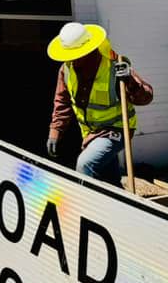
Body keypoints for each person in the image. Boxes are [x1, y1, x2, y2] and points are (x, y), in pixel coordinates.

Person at [46, 21, 153, 186]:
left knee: (86, 164)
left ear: (87, 50)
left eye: (75, 55)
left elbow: (146, 96)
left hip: (117, 129)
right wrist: (55, 131)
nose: (71, 60)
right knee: (109, 181)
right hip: (90, 133)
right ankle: (119, 207)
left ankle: (89, 209)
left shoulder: (114, 66)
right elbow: (62, 102)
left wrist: (130, 81)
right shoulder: (66, 70)